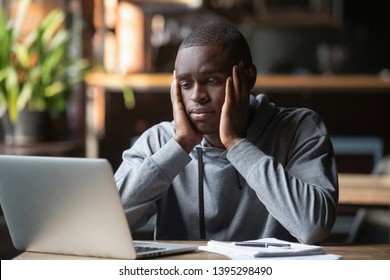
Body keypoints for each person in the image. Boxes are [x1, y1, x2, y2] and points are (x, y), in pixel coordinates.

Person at [115, 22, 338, 244]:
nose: (197, 96)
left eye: (212, 81)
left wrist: (236, 143)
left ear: (249, 78)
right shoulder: (160, 141)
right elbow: (110, 221)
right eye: (185, 84)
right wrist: (180, 145)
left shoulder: (299, 128)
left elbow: (313, 227)